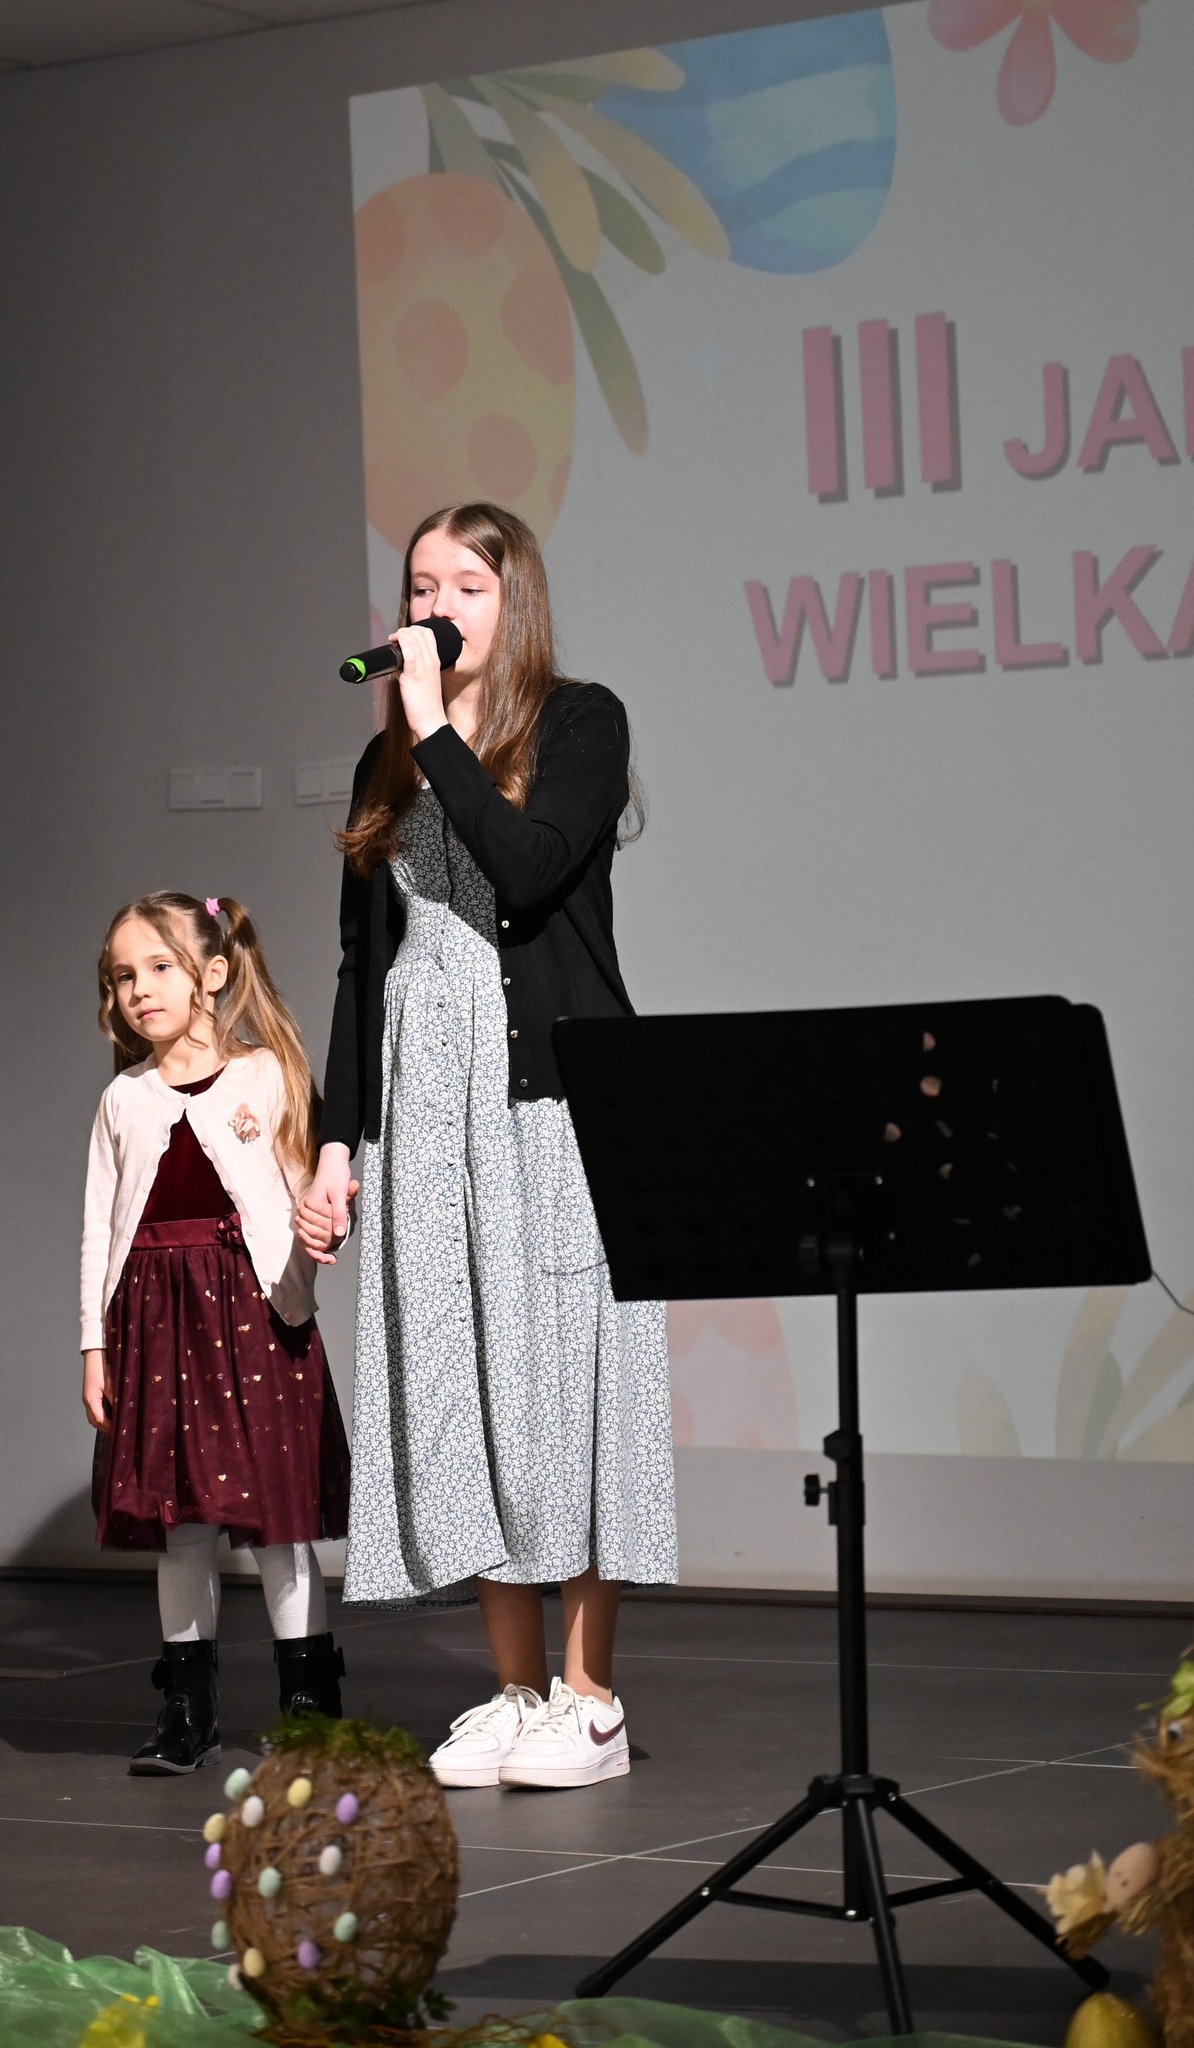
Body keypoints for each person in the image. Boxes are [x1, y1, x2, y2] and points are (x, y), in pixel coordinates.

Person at [298, 502, 676, 1791]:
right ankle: (514, 1692)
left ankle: (590, 1696)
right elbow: (362, 966)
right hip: (427, 1113)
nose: (439, 603)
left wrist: (438, 733)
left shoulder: (579, 723)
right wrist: (337, 1139)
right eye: (422, 583)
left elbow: (526, 870)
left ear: (516, 602)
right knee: (460, 1387)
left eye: (469, 581)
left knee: (569, 1388)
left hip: (554, 1108)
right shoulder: (387, 761)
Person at [81, 892, 351, 1774]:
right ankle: (186, 1710)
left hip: (253, 1319)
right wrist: (94, 1344)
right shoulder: (124, 1099)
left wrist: (322, 1235)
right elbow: (98, 1232)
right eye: (123, 976)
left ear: (214, 973)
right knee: (180, 1524)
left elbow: (309, 1193)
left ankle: (308, 1705)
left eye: (159, 967)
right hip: (156, 1328)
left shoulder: (264, 1076)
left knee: (277, 1522)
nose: (139, 989)